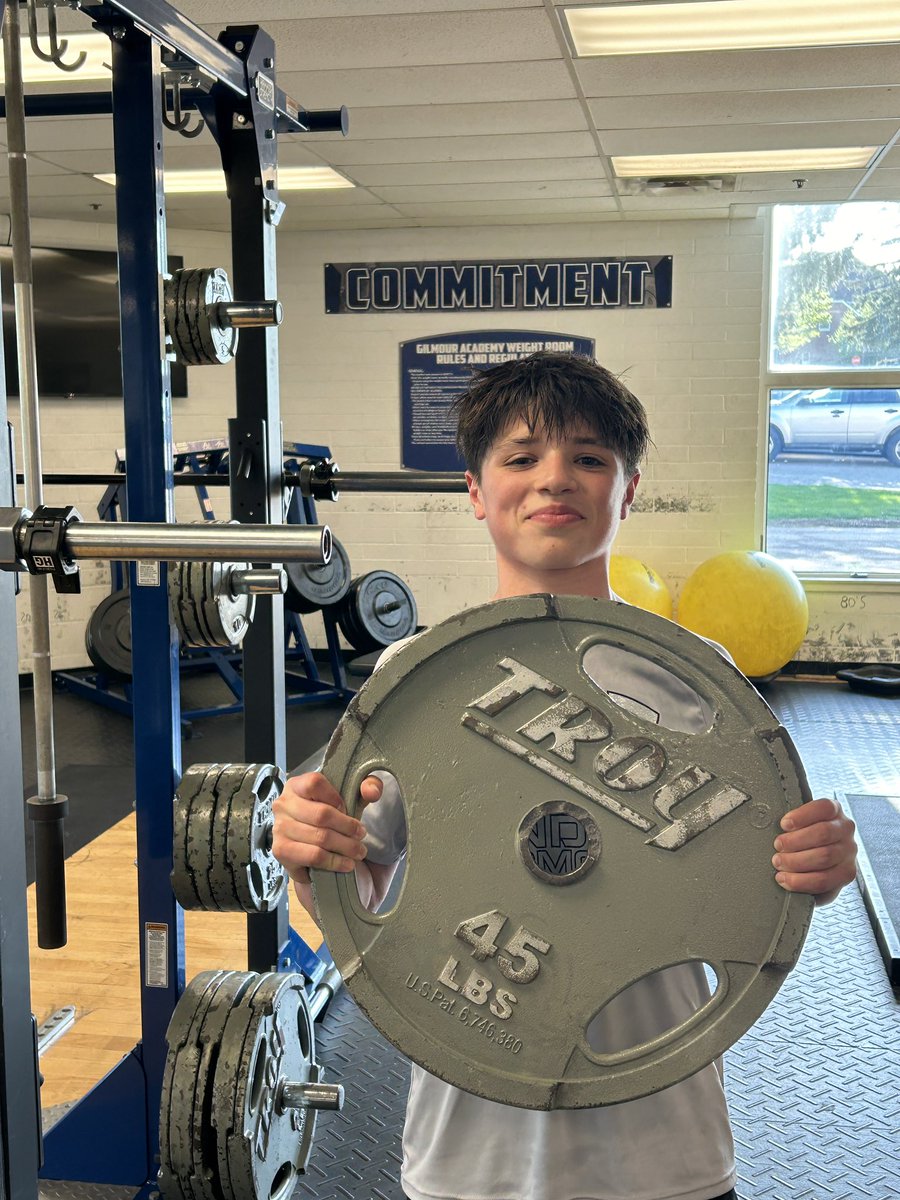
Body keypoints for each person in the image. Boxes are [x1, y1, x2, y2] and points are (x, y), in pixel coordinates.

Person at [272, 351, 858, 1200]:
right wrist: (308, 851)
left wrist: (816, 868)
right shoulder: (417, 677)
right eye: (521, 458)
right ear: (475, 492)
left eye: (590, 458)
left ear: (628, 490)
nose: (556, 479)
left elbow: (756, 888)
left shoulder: (699, 680)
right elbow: (352, 897)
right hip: (470, 1154)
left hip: (666, 1153)